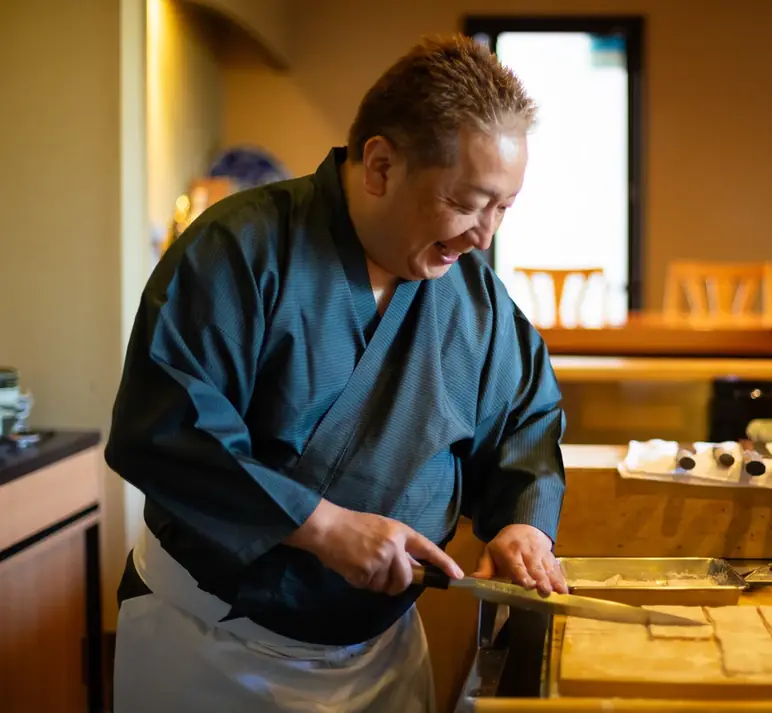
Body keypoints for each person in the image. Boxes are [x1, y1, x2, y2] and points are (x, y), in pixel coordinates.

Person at [106, 34, 568, 713]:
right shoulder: (241, 250)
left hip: (379, 653)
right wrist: (322, 526)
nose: (484, 236)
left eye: (503, 208)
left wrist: (522, 525)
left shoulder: (476, 300)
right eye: (470, 202)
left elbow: (524, 423)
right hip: (213, 648)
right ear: (380, 164)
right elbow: (169, 427)